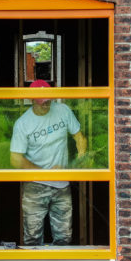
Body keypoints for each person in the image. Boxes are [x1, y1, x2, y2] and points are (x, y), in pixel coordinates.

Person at [10, 79, 87, 246]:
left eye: (48, 101)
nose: (46, 105)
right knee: (32, 239)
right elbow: (15, 159)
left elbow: (79, 138)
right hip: (34, 186)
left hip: (62, 185)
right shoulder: (23, 124)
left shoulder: (63, 111)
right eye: (42, 102)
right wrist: (44, 172)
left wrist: (76, 162)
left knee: (64, 238)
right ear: (31, 100)